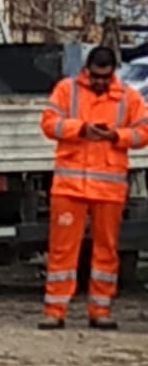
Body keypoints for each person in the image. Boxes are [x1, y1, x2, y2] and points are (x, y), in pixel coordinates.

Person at [39, 45, 148, 329]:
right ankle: (55, 310)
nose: (100, 82)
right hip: (69, 186)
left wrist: (116, 136)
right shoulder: (67, 90)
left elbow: (144, 132)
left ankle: (100, 310)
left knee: (106, 251)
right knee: (62, 250)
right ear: (86, 71)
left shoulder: (128, 97)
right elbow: (49, 124)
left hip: (108, 188)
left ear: (113, 73)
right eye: (95, 76)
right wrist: (80, 129)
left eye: (105, 77)